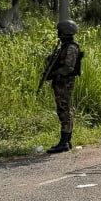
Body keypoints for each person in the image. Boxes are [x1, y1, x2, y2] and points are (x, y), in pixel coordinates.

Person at [40, 20, 83, 153]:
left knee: (64, 111)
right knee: (63, 110)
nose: (58, 33)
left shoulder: (71, 48)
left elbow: (68, 67)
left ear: (64, 32)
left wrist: (54, 73)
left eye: (60, 31)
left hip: (64, 83)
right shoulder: (65, 46)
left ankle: (64, 142)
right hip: (61, 82)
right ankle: (66, 141)